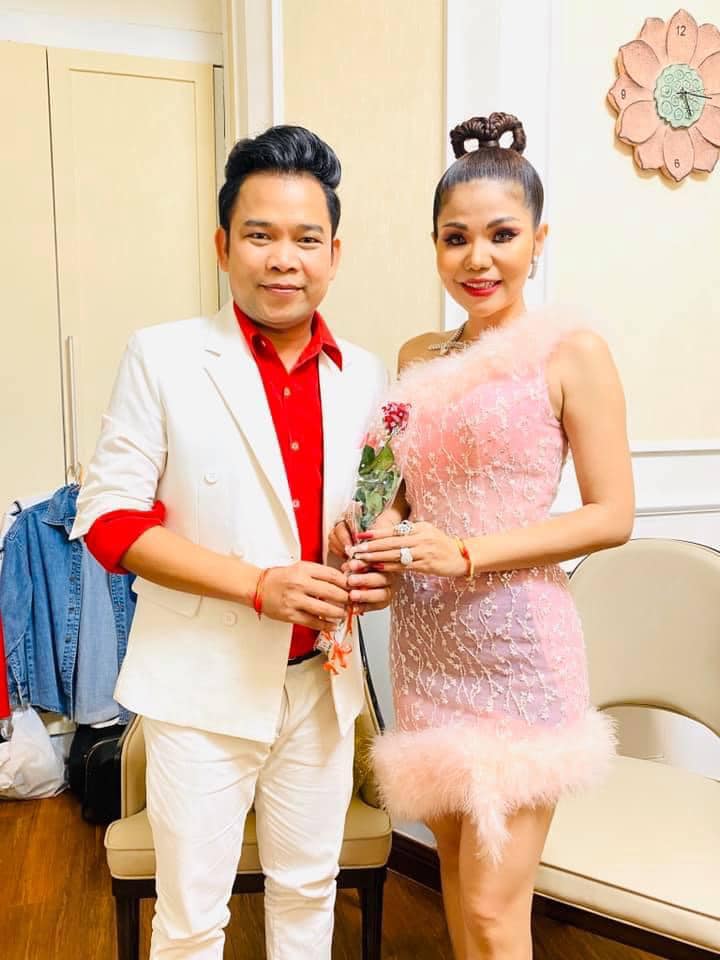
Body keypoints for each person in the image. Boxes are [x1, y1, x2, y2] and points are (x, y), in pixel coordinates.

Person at [71, 125, 392, 959]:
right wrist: (258, 584)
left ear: (334, 254)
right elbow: (109, 520)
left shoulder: (365, 373)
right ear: (223, 246)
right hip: (201, 683)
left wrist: (376, 558)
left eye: (306, 239)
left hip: (321, 685)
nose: (283, 259)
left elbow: (374, 504)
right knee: (191, 922)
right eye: (260, 235)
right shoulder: (163, 356)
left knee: (308, 896)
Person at [330, 111, 634, 959]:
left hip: (520, 654)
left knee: (498, 913)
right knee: (462, 897)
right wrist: (370, 533)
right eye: (456, 238)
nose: (478, 258)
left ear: (539, 239)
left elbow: (612, 514)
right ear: (435, 245)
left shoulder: (572, 354)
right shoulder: (416, 355)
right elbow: (391, 486)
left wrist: (462, 554)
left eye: (502, 234)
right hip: (427, 647)